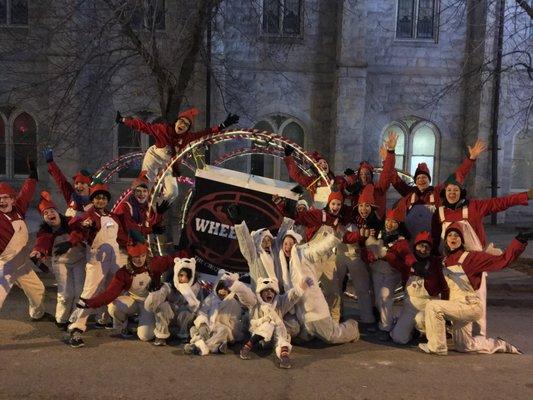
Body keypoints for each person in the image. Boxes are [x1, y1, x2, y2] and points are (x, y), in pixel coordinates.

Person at [419, 223, 531, 355]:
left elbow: (503, 260)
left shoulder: (472, 257)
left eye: (457, 235)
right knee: (464, 346)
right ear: (446, 240)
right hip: (455, 305)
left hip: (470, 304)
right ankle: (501, 344)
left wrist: (519, 241)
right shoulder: (443, 261)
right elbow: (434, 290)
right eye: (450, 235)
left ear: (462, 239)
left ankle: (437, 347)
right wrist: (427, 274)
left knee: (433, 306)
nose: (453, 237)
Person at [57, 181, 128, 347]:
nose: (101, 201)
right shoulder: (90, 216)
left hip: (114, 259)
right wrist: (72, 241)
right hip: (97, 261)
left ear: (107, 200)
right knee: (90, 293)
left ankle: (108, 319)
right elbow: (78, 227)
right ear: (93, 200)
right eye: (97, 198)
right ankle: (76, 327)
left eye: (103, 198)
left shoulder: (113, 217)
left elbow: (124, 236)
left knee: (115, 288)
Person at [117, 108, 239, 202]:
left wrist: (223, 126)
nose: (183, 125)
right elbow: (143, 126)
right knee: (147, 182)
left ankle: (157, 206)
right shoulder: (162, 130)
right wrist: (124, 120)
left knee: (173, 193)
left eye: (186, 125)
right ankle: (141, 203)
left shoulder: (188, 138)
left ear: (187, 129)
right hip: (154, 157)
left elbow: (205, 134)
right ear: (176, 122)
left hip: (170, 164)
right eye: (181, 122)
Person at [75, 234, 174, 345]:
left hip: (150, 303)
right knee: (113, 306)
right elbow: (110, 293)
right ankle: (125, 325)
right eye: (136, 256)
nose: (140, 259)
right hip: (134, 301)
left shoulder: (155, 263)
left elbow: (176, 260)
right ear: (130, 257)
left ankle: (153, 322)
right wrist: (90, 303)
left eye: (142, 255)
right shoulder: (123, 273)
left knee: (145, 336)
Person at [390, 139, 486, 240]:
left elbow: (457, 176)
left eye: (424, 177)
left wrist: (471, 159)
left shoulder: (438, 192)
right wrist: (389, 154)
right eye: (418, 178)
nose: (421, 180)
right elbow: (393, 178)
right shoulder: (409, 193)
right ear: (415, 181)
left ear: (429, 180)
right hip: (411, 235)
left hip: (434, 236)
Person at [275, 190, 347, 322]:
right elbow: (299, 217)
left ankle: (334, 321)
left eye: (338, 204)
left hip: (329, 259)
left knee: (334, 291)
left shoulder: (339, 221)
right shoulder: (319, 215)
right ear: (328, 203)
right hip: (313, 259)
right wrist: (282, 205)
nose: (335, 207)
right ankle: (302, 319)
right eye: (333, 204)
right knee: (306, 289)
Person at [281, 228, 359, 344]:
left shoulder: (303, 253)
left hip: (314, 309)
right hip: (301, 314)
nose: (288, 246)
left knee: (331, 336)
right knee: (302, 338)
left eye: (291, 243)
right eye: (285, 243)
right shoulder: (282, 262)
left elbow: (319, 249)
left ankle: (352, 327)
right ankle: (310, 332)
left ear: (296, 244)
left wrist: (333, 238)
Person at [352, 207, 415, 341]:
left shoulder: (401, 241)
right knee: (379, 301)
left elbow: (405, 258)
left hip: (391, 274)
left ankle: (385, 327)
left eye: (394, 222)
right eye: (388, 220)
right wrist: (370, 255)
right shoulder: (378, 233)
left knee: (385, 297)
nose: (389, 224)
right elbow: (366, 250)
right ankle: (387, 322)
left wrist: (387, 256)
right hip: (377, 272)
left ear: (399, 224)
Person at [227, 275, 312, 369]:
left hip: (276, 337)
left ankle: (284, 357)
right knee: (269, 324)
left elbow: (290, 297)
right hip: (260, 337)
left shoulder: (279, 303)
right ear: (260, 293)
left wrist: (301, 287)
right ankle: (246, 347)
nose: (269, 293)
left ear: (275, 292)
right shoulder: (255, 303)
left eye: (271, 290)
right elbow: (245, 294)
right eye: (266, 291)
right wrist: (236, 286)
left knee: (280, 327)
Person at [30, 191, 86, 330]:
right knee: (65, 293)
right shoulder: (45, 231)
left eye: (51, 211)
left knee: (79, 292)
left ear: (57, 211)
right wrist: (38, 251)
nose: (50, 214)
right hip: (60, 262)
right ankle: (61, 319)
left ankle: (75, 319)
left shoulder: (70, 222)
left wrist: (71, 241)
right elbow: (42, 242)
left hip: (78, 260)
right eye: (46, 213)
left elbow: (80, 231)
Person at [0, 158, 45, 319]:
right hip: (3, 264)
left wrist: (32, 175)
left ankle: (37, 314)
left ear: (12, 199)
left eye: (5, 197)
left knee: (38, 290)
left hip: (19, 262)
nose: (2, 201)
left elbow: (26, 193)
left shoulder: (18, 208)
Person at [336, 184, 383, 326]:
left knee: (363, 288)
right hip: (341, 253)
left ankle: (368, 317)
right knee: (336, 286)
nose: (364, 209)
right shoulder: (350, 215)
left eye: (367, 206)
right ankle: (335, 315)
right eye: (361, 206)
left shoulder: (376, 222)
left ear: (372, 207)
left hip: (359, 257)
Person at [390, 231, 447, 345]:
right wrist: (412, 263)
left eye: (427, 247)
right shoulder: (408, 263)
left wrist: (446, 311)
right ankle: (413, 330)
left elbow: (444, 287)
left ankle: (427, 332)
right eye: (421, 245)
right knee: (399, 338)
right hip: (410, 306)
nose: (424, 249)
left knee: (421, 319)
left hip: (429, 304)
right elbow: (391, 254)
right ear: (415, 246)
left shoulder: (436, 263)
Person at [144, 256, 203, 346]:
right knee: (163, 306)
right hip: (169, 317)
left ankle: (183, 334)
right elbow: (158, 298)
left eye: (187, 276)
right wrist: (153, 296)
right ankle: (162, 335)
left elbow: (199, 303)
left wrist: (194, 305)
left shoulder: (195, 288)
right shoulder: (168, 287)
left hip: (182, 319)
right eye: (181, 275)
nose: (183, 278)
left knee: (187, 310)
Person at [183, 269, 243, 356]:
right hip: (208, 325)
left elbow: (234, 324)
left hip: (221, 329)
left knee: (224, 331)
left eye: (226, 289)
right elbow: (202, 313)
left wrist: (229, 334)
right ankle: (216, 348)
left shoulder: (234, 303)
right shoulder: (210, 298)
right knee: (194, 329)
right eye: (221, 288)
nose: (222, 291)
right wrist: (202, 324)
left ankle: (200, 347)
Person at [343, 132, 398, 218]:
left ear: (371, 176)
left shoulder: (379, 188)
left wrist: (390, 154)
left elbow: (387, 173)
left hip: (377, 225)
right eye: (361, 174)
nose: (364, 176)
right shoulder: (354, 190)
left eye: (367, 174)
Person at [113, 170, 169, 243]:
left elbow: (151, 224)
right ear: (133, 192)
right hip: (122, 243)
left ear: (148, 193)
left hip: (135, 243)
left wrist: (159, 214)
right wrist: (151, 230)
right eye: (139, 191)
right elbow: (131, 228)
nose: (142, 194)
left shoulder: (146, 207)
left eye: (144, 191)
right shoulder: (125, 207)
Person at [283, 147, 347, 209]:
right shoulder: (312, 182)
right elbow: (296, 175)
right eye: (320, 163)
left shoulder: (338, 180)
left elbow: (348, 193)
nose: (324, 164)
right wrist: (289, 157)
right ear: (316, 168)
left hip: (334, 214)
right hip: (318, 214)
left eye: (325, 162)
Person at [44, 148, 92, 217]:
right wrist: (51, 163)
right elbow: (61, 180)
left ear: (88, 185)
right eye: (76, 183)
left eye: (82, 183)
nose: (78, 186)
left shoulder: (96, 199)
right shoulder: (72, 195)